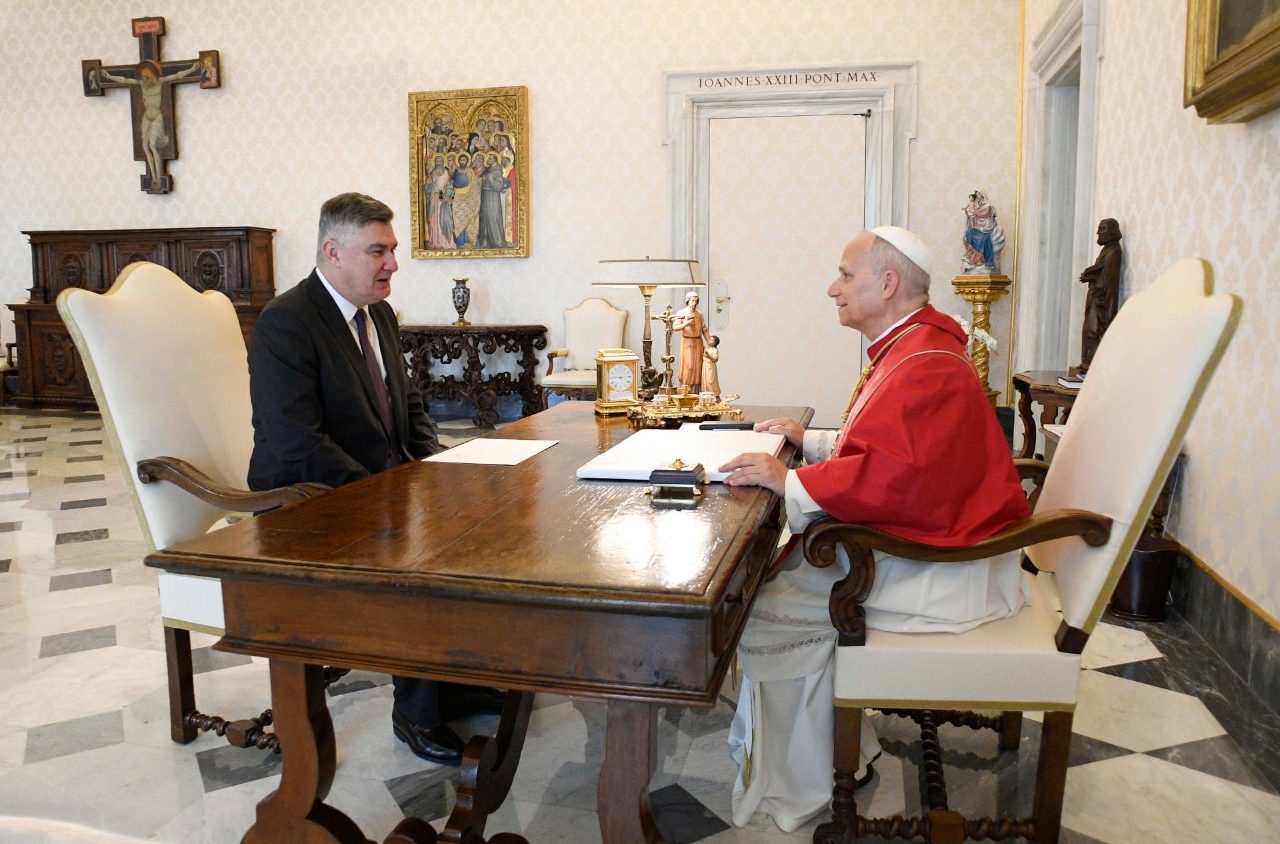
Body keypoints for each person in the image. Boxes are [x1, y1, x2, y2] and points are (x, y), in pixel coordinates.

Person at [718, 226, 1031, 832]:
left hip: (946, 569)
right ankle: (836, 748)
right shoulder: (912, 347)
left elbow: (900, 479)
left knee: (760, 604)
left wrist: (790, 482)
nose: (831, 288)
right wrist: (806, 440)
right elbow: (891, 448)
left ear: (887, 284)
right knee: (767, 583)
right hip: (936, 541)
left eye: (845, 274)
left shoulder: (925, 364)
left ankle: (804, 781)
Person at [247, 192, 501, 764]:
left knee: (479, 525)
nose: (392, 264)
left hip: (379, 488)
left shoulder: (379, 313)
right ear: (333, 253)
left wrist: (430, 469)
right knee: (423, 552)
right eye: (378, 251)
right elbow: (295, 442)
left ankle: (449, 677)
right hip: (308, 503)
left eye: (392, 250)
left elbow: (409, 405)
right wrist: (387, 492)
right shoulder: (285, 323)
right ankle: (417, 712)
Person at [97, 59, 201, 188]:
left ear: (151, 76)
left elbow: (178, 75)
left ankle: (158, 176)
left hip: (157, 117)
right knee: (145, 147)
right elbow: (124, 80)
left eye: (146, 78)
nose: (144, 81)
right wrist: (109, 76)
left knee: (153, 146)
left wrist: (192, 69)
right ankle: (154, 178)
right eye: (142, 78)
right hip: (147, 118)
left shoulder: (160, 82)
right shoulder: (141, 84)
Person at [1077, 218, 1123, 372]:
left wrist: (1090, 276)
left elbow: (1106, 279)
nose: (1098, 232)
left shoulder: (1114, 251)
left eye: (1101, 229)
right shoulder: (1107, 249)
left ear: (1111, 231)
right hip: (1096, 298)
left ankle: (1092, 362)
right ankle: (1087, 361)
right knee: (1088, 329)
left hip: (1101, 301)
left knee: (1093, 330)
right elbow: (1100, 269)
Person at [673, 291, 711, 392]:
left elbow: (704, 330)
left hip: (698, 342)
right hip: (687, 342)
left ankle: (696, 393)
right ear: (688, 300)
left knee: (698, 368)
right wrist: (686, 323)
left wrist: (710, 343)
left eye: (696, 300)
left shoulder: (699, 314)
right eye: (693, 300)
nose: (694, 303)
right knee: (689, 366)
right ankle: (685, 391)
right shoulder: (681, 312)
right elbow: (675, 327)